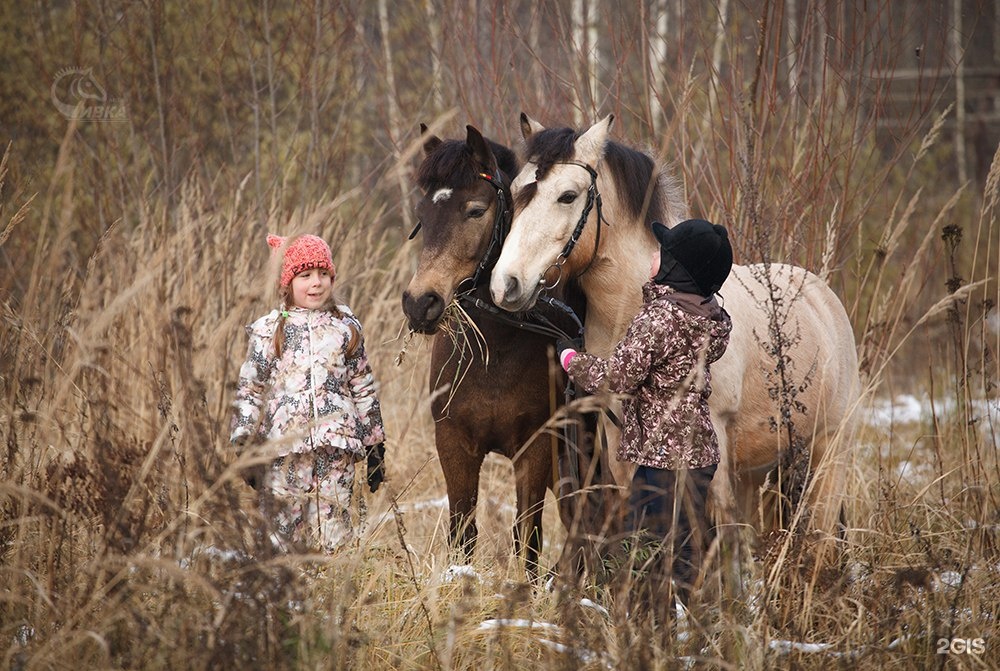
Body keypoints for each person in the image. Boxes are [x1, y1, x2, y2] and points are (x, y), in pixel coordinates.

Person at [557, 218, 733, 613]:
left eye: (663, 252)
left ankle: (649, 623)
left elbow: (617, 377)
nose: (654, 254)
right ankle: (680, 615)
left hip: (663, 459)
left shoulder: (659, 319)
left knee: (643, 544)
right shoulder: (710, 318)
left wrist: (571, 359)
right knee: (683, 543)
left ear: (675, 269)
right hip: (699, 455)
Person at [231, 233, 386, 553]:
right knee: (282, 536)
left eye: (323, 274)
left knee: (335, 535)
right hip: (283, 452)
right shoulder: (269, 330)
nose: (316, 283)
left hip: (336, 448)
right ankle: (284, 595)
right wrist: (246, 444)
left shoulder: (345, 325)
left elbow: (362, 384)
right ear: (286, 282)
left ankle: (331, 591)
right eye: (305, 276)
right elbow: (251, 389)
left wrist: (375, 445)